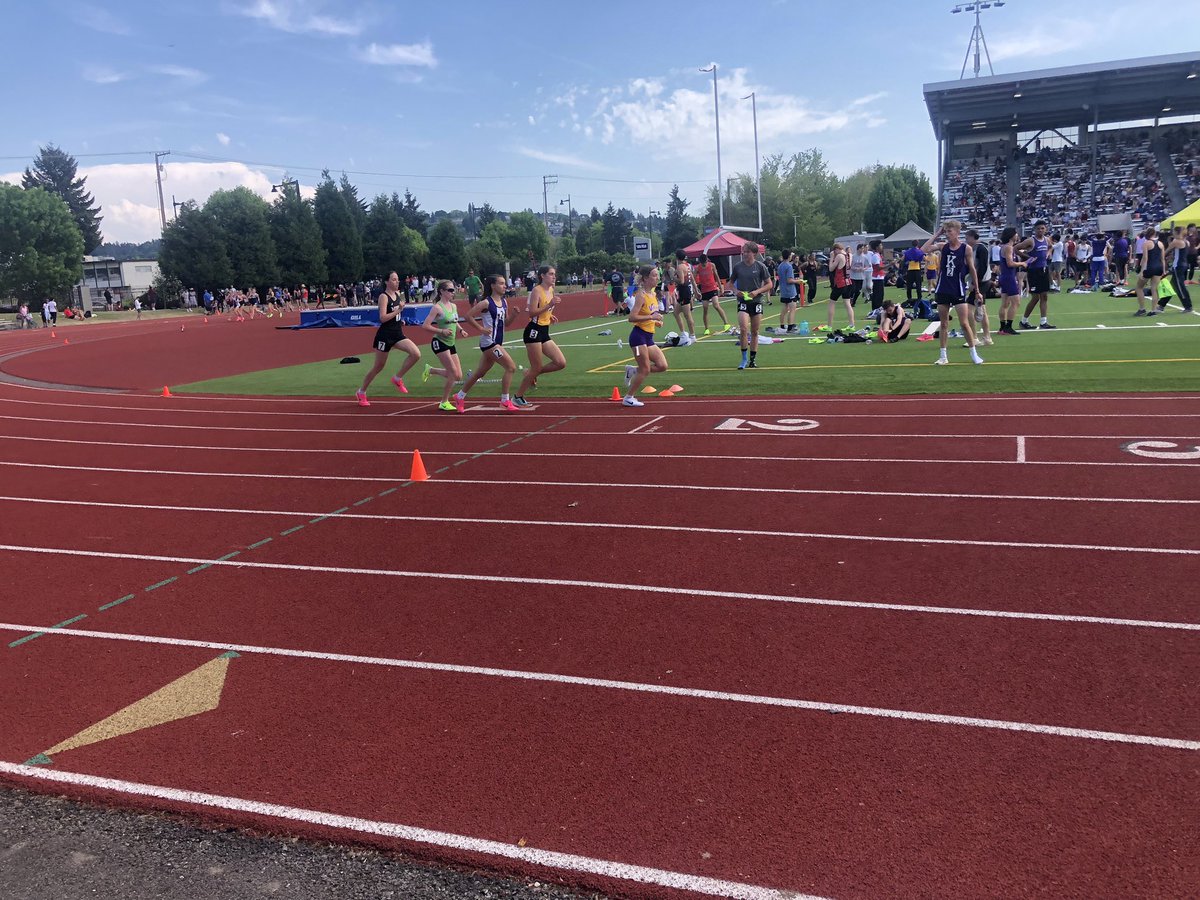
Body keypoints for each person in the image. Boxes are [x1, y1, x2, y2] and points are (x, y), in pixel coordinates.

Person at [921, 220, 984, 366]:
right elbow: (924, 249)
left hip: (958, 288)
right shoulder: (943, 247)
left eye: (950, 231)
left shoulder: (965, 248)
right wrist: (937, 234)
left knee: (964, 323)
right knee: (943, 324)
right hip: (943, 288)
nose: (947, 234)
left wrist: (977, 289)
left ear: (957, 232)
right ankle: (943, 356)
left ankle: (974, 353)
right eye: (946, 231)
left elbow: (972, 269)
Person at [455, 274, 522, 412]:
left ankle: (460, 396)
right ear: (493, 285)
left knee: (479, 373)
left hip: (497, 342)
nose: (505, 286)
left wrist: (514, 316)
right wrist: (481, 329)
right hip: (489, 343)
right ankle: (505, 400)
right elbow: (468, 316)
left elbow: (506, 324)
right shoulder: (486, 302)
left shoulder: (504, 302)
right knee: (511, 367)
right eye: (501, 283)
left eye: (505, 283)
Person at [355, 271, 421, 406]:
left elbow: (394, 315)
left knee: (416, 354)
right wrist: (398, 311)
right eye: (394, 279)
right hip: (385, 336)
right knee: (378, 367)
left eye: (397, 279)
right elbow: (383, 318)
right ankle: (361, 392)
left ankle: (397, 378)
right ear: (387, 281)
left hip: (397, 333)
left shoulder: (397, 295)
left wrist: (399, 319)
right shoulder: (383, 297)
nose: (397, 282)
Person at [514, 265, 566, 408]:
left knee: (560, 362)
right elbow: (531, 313)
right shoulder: (536, 291)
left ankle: (529, 373)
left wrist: (550, 315)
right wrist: (549, 305)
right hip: (534, 331)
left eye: (554, 274)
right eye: (550, 274)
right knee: (536, 367)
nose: (554, 276)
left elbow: (543, 311)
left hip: (544, 330)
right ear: (542, 276)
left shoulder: (551, 289)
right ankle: (517, 397)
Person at [620, 265, 668, 407]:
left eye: (657, 275)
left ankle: (633, 370)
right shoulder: (641, 295)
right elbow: (632, 317)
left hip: (648, 337)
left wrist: (655, 321)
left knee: (662, 366)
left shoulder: (652, 294)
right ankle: (628, 397)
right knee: (646, 369)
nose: (657, 277)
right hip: (638, 337)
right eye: (654, 275)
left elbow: (649, 316)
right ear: (646, 278)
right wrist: (651, 317)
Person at [421, 281, 466, 412]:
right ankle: (444, 401)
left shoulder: (454, 306)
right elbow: (425, 325)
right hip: (439, 342)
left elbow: (455, 321)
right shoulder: (437, 307)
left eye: (454, 290)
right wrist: (441, 331)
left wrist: (461, 330)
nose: (453, 292)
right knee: (452, 372)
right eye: (450, 290)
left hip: (451, 343)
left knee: (458, 376)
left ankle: (431, 370)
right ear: (442, 291)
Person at [730, 241, 772, 370]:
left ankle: (752, 360)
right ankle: (743, 359)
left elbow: (769, 284)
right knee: (743, 328)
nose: (745, 254)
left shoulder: (760, 267)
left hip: (756, 302)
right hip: (743, 302)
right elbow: (730, 283)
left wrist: (757, 292)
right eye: (744, 251)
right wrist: (737, 292)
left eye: (747, 251)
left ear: (754, 253)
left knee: (755, 331)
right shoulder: (738, 267)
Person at [1017, 221, 1056, 329]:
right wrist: (1027, 258)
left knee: (1044, 296)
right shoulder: (1031, 241)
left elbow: (1051, 247)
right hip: (1034, 271)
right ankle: (1024, 321)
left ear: (1045, 229)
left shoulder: (1047, 239)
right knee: (1035, 298)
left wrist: (1048, 254)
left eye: (1042, 228)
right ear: (1035, 229)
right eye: (1038, 228)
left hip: (1043, 270)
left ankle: (1043, 322)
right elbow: (1016, 249)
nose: (1040, 230)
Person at [995, 226, 1027, 336]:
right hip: (1009, 277)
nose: (1017, 235)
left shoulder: (1004, 247)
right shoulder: (1008, 247)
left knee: (1005, 303)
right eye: (1016, 233)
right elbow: (1010, 263)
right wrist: (1022, 263)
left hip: (1005, 276)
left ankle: (1002, 328)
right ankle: (1008, 327)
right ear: (1011, 235)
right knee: (1016, 302)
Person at [965, 229, 993, 346]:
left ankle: (974, 338)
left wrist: (974, 284)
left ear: (972, 237)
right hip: (982, 282)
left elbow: (982, 267)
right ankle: (987, 337)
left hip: (981, 282)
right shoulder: (976, 248)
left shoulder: (981, 248)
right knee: (982, 309)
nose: (966, 240)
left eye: (967, 238)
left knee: (969, 309)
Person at [694, 253, 729, 334]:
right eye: (702, 263)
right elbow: (693, 278)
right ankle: (706, 328)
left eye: (705, 263)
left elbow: (716, 276)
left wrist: (720, 286)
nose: (704, 264)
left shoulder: (712, 265)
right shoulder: (697, 268)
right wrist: (696, 290)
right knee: (705, 309)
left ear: (707, 260)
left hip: (712, 288)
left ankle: (726, 323)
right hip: (704, 290)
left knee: (716, 305)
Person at [1135, 228, 1165, 317]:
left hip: (1149, 267)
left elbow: (1145, 258)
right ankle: (1153, 310)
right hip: (1158, 267)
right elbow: (1162, 259)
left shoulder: (1146, 243)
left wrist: (1141, 271)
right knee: (1154, 289)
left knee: (1139, 287)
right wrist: (1163, 270)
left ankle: (1142, 309)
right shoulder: (1160, 244)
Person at [671, 249, 697, 345]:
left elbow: (681, 281)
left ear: (677, 257)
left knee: (687, 315)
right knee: (676, 312)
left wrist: (674, 278)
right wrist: (696, 290)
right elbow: (692, 280)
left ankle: (692, 335)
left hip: (684, 291)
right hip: (684, 291)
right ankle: (683, 333)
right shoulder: (687, 265)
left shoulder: (680, 267)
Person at [1164, 226, 1193, 313]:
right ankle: (1161, 304)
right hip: (1183, 265)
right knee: (1173, 285)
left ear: (1177, 232)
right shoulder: (1186, 241)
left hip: (1178, 266)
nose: (1172, 233)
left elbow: (1166, 251)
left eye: (1173, 232)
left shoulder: (1176, 241)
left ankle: (1188, 306)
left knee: (1180, 287)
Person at [827, 243, 854, 330]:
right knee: (847, 303)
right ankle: (851, 324)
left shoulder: (839, 256)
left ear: (836, 249)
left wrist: (831, 258)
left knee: (831, 303)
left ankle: (829, 326)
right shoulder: (849, 255)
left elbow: (831, 268)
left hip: (840, 283)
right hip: (848, 282)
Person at [774, 249, 801, 334]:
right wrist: (798, 281)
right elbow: (789, 280)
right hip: (790, 291)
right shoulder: (788, 266)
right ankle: (790, 327)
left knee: (784, 309)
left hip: (783, 290)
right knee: (793, 309)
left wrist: (794, 279)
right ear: (789, 256)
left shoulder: (780, 265)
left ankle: (782, 325)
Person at [868, 239, 886, 311]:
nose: (882, 247)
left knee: (879, 295)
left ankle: (877, 309)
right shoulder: (876, 256)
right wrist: (890, 264)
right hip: (877, 278)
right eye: (880, 245)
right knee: (878, 295)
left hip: (879, 277)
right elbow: (878, 267)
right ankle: (876, 309)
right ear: (877, 247)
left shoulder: (878, 255)